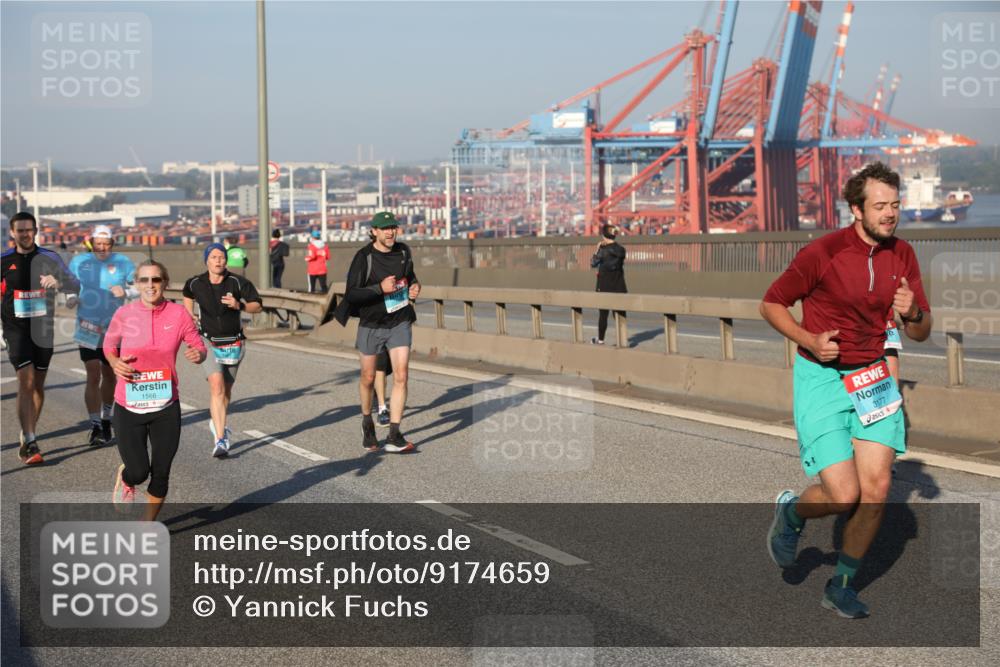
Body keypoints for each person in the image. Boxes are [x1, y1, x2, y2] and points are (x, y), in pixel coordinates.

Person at [760, 162, 932, 618]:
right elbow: (771, 303)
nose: (890, 214)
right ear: (856, 209)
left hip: (873, 378)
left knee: (875, 490)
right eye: (880, 206)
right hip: (822, 375)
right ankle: (792, 514)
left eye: (895, 205)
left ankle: (841, 585)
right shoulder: (824, 252)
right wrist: (809, 339)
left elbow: (921, 332)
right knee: (843, 495)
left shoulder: (904, 255)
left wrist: (913, 312)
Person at [105, 260, 206, 520]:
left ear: (165, 283)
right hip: (129, 406)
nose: (151, 285)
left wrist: (199, 353)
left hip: (165, 407)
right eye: (145, 280)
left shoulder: (178, 314)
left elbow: (198, 344)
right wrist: (115, 362)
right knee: (139, 472)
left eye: (156, 280)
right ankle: (126, 478)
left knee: (161, 473)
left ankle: (146, 525)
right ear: (137, 284)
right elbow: (109, 345)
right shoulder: (124, 314)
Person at [333, 211, 420, 453]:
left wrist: (414, 287)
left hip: (399, 320)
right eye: (384, 228)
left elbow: (410, 278)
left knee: (401, 375)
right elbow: (351, 293)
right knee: (368, 378)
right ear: (374, 231)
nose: (390, 232)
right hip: (371, 324)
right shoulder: (364, 257)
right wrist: (379, 288)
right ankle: (367, 421)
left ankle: (394, 433)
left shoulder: (403, 252)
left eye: (393, 227)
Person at [1, 212, 80, 464]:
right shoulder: (3, 260)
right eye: (20, 230)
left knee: (38, 385)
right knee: (26, 380)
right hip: (15, 328)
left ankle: (28, 431)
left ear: (36, 231)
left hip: (43, 328)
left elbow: (74, 285)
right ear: (12, 233)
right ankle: (31, 439)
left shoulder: (49, 257)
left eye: (29, 230)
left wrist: (57, 282)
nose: (25, 234)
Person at [183, 243, 263, 457]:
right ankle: (220, 439)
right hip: (208, 341)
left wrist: (240, 306)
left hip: (234, 342)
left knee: (226, 391)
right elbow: (187, 294)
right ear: (207, 260)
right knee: (216, 386)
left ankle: (218, 422)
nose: (218, 261)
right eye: (214, 257)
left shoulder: (237, 282)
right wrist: (189, 314)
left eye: (222, 257)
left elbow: (257, 305)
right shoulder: (195, 283)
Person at [68, 225, 136, 447]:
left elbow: (142, 286)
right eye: (98, 244)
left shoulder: (124, 262)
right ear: (91, 243)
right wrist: (71, 297)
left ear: (112, 244)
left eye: (106, 244)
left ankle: (107, 417)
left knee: (110, 374)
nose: (102, 248)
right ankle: (95, 424)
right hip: (87, 325)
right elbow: (70, 286)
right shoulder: (79, 262)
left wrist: (126, 292)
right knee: (92, 372)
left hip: (114, 327)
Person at [589, 223, 627, 346]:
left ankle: (600, 340)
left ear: (604, 236)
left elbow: (593, 263)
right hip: (619, 285)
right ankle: (622, 340)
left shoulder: (603, 251)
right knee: (619, 315)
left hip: (604, 286)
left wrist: (598, 249)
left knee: (603, 315)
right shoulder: (622, 250)